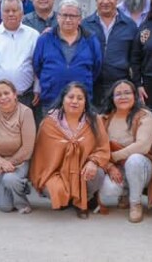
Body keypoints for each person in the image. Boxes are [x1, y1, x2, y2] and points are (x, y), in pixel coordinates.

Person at [29, 82, 110, 219]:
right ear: (63, 99)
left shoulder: (94, 120)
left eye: (80, 98)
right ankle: (68, 199)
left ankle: (84, 199)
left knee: (98, 174)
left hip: (84, 171)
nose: (75, 101)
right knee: (52, 188)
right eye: (70, 97)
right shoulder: (49, 122)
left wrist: (93, 162)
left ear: (85, 102)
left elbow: (103, 147)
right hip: (57, 172)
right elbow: (41, 156)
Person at [99, 80, 152, 223]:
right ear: (112, 98)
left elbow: (142, 146)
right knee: (108, 189)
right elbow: (98, 148)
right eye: (118, 94)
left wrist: (114, 156)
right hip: (116, 166)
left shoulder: (144, 115)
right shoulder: (105, 118)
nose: (123, 97)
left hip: (141, 166)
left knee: (134, 160)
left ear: (135, 96)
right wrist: (110, 166)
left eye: (127, 93)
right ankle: (125, 193)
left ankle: (135, 203)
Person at [33, 0, 102, 110]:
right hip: (51, 101)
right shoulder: (45, 39)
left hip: (80, 102)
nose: (68, 19)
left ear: (80, 19)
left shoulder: (91, 39)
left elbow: (96, 67)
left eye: (73, 16)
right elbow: (37, 66)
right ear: (58, 17)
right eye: (64, 15)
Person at [0, 80, 36, 213]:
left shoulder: (25, 112)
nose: (3, 97)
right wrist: (1, 163)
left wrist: (8, 163)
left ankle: (21, 202)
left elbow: (27, 148)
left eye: (6, 93)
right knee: (5, 207)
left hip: (20, 161)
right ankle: (4, 185)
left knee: (10, 178)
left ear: (15, 94)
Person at [82, 0, 138, 107]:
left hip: (119, 84)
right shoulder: (85, 25)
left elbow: (135, 58)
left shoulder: (129, 25)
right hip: (92, 84)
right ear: (96, 0)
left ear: (116, 0)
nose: (105, 1)